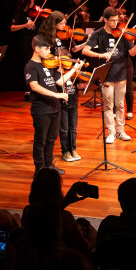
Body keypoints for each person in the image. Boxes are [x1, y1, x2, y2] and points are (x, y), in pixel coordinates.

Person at [84, 7, 136, 144]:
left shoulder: (122, 33)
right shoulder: (98, 34)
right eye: (112, 21)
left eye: (117, 20)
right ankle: (111, 132)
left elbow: (133, 53)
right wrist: (100, 54)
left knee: (120, 105)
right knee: (108, 105)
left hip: (121, 73)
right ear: (105, 20)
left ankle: (121, 131)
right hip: (106, 75)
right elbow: (86, 51)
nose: (115, 24)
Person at [25, 34, 82, 174]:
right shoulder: (30, 67)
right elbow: (35, 86)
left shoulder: (48, 64)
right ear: (37, 49)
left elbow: (59, 81)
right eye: (47, 49)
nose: (50, 52)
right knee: (40, 141)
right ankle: (39, 169)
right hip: (41, 109)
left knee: (51, 139)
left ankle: (49, 166)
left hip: (55, 107)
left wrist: (74, 69)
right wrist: (57, 95)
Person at [38, 11, 87, 162]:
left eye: (65, 23)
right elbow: (46, 60)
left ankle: (73, 148)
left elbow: (71, 53)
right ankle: (65, 150)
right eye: (61, 23)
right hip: (58, 79)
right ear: (54, 24)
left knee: (73, 123)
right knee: (64, 125)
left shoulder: (66, 37)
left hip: (70, 77)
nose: (64, 26)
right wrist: (57, 67)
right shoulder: (47, 40)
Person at [11, 0, 38, 101]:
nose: (33, 3)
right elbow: (12, 28)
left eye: (33, 1)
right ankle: (28, 91)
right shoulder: (20, 13)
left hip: (34, 44)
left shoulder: (32, 13)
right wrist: (25, 25)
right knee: (28, 68)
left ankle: (35, 90)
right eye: (31, 1)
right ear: (25, 2)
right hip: (25, 44)